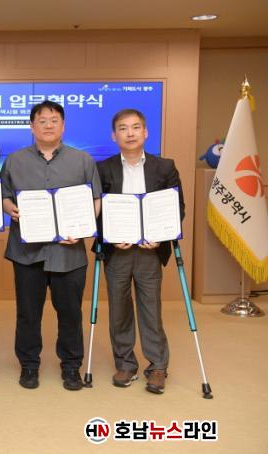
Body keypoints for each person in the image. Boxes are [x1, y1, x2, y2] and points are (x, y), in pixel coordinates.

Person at [1, 100, 101, 391]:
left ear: (63, 125)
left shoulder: (83, 160)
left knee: (70, 313)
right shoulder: (15, 160)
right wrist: (10, 209)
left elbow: (96, 199)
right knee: (28, 313)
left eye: (54, 120)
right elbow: (5, 195)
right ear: (32, 126)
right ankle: (29, 365)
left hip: (68, 253)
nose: (48, 125)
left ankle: (71, 367)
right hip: (27, 252)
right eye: (42, 120)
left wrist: (82, 229)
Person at [97, 108, 185, 394]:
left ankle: (157, 366)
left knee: (151, 309)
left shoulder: (165, 167)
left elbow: (177, 208)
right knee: (119, 310)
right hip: (118, 251)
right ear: (114, 135)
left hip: (150, 251)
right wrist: (109, 237)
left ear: (145, 132)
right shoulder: (104, 168)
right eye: (123, 128)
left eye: (136, 127)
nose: (130, 133)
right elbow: (96, 210)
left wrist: (160, 237)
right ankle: (125, 363)